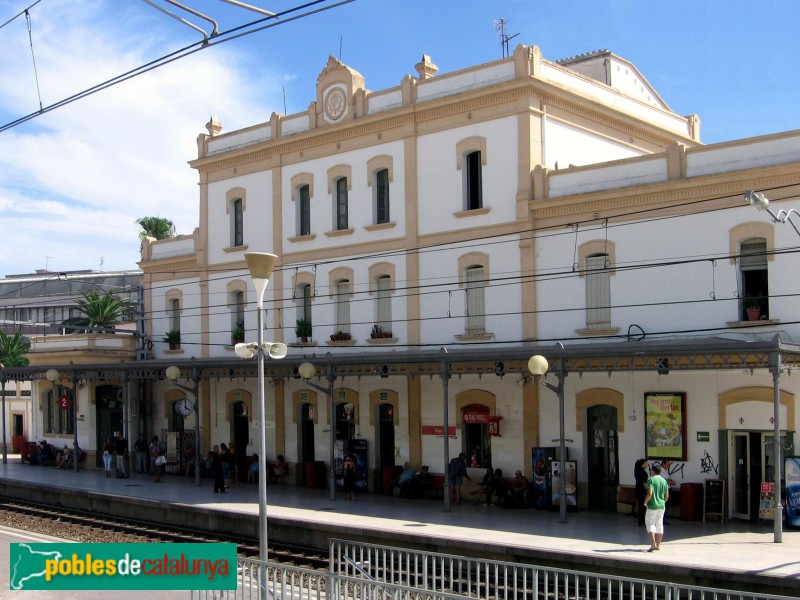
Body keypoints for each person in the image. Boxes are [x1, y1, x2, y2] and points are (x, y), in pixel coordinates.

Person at [643, 462, 670, 552]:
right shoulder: (664, 481)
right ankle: (658, 545)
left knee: (650, 524)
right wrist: (662, 502)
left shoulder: (651, 480)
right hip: (662, 506)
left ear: (653, 471)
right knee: (659, 524)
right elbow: (667, 496)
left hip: (652, 505)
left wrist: (645, 502)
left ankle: (653, 543)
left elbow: (649, 493)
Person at [634, 458, 649, 526]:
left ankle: (640, 521)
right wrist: (648, 490)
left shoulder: (636, 470)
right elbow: (645, 483)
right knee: (643, 506)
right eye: (645, 463)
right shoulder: (643, 472)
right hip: (642, 491)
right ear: (641, 464)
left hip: (638, 489)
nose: (647, 465)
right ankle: (642, 522)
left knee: (640, 506)